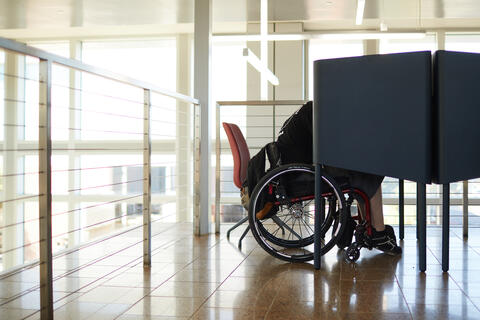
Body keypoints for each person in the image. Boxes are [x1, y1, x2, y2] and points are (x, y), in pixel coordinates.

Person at [265, 100, 402, 255]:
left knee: (364, 171)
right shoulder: (318, 113)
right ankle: (378, 232)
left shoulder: (311, 109)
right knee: (370, 172)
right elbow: (332, 147)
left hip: (296, 171)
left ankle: (370, 227)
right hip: (303, 175)